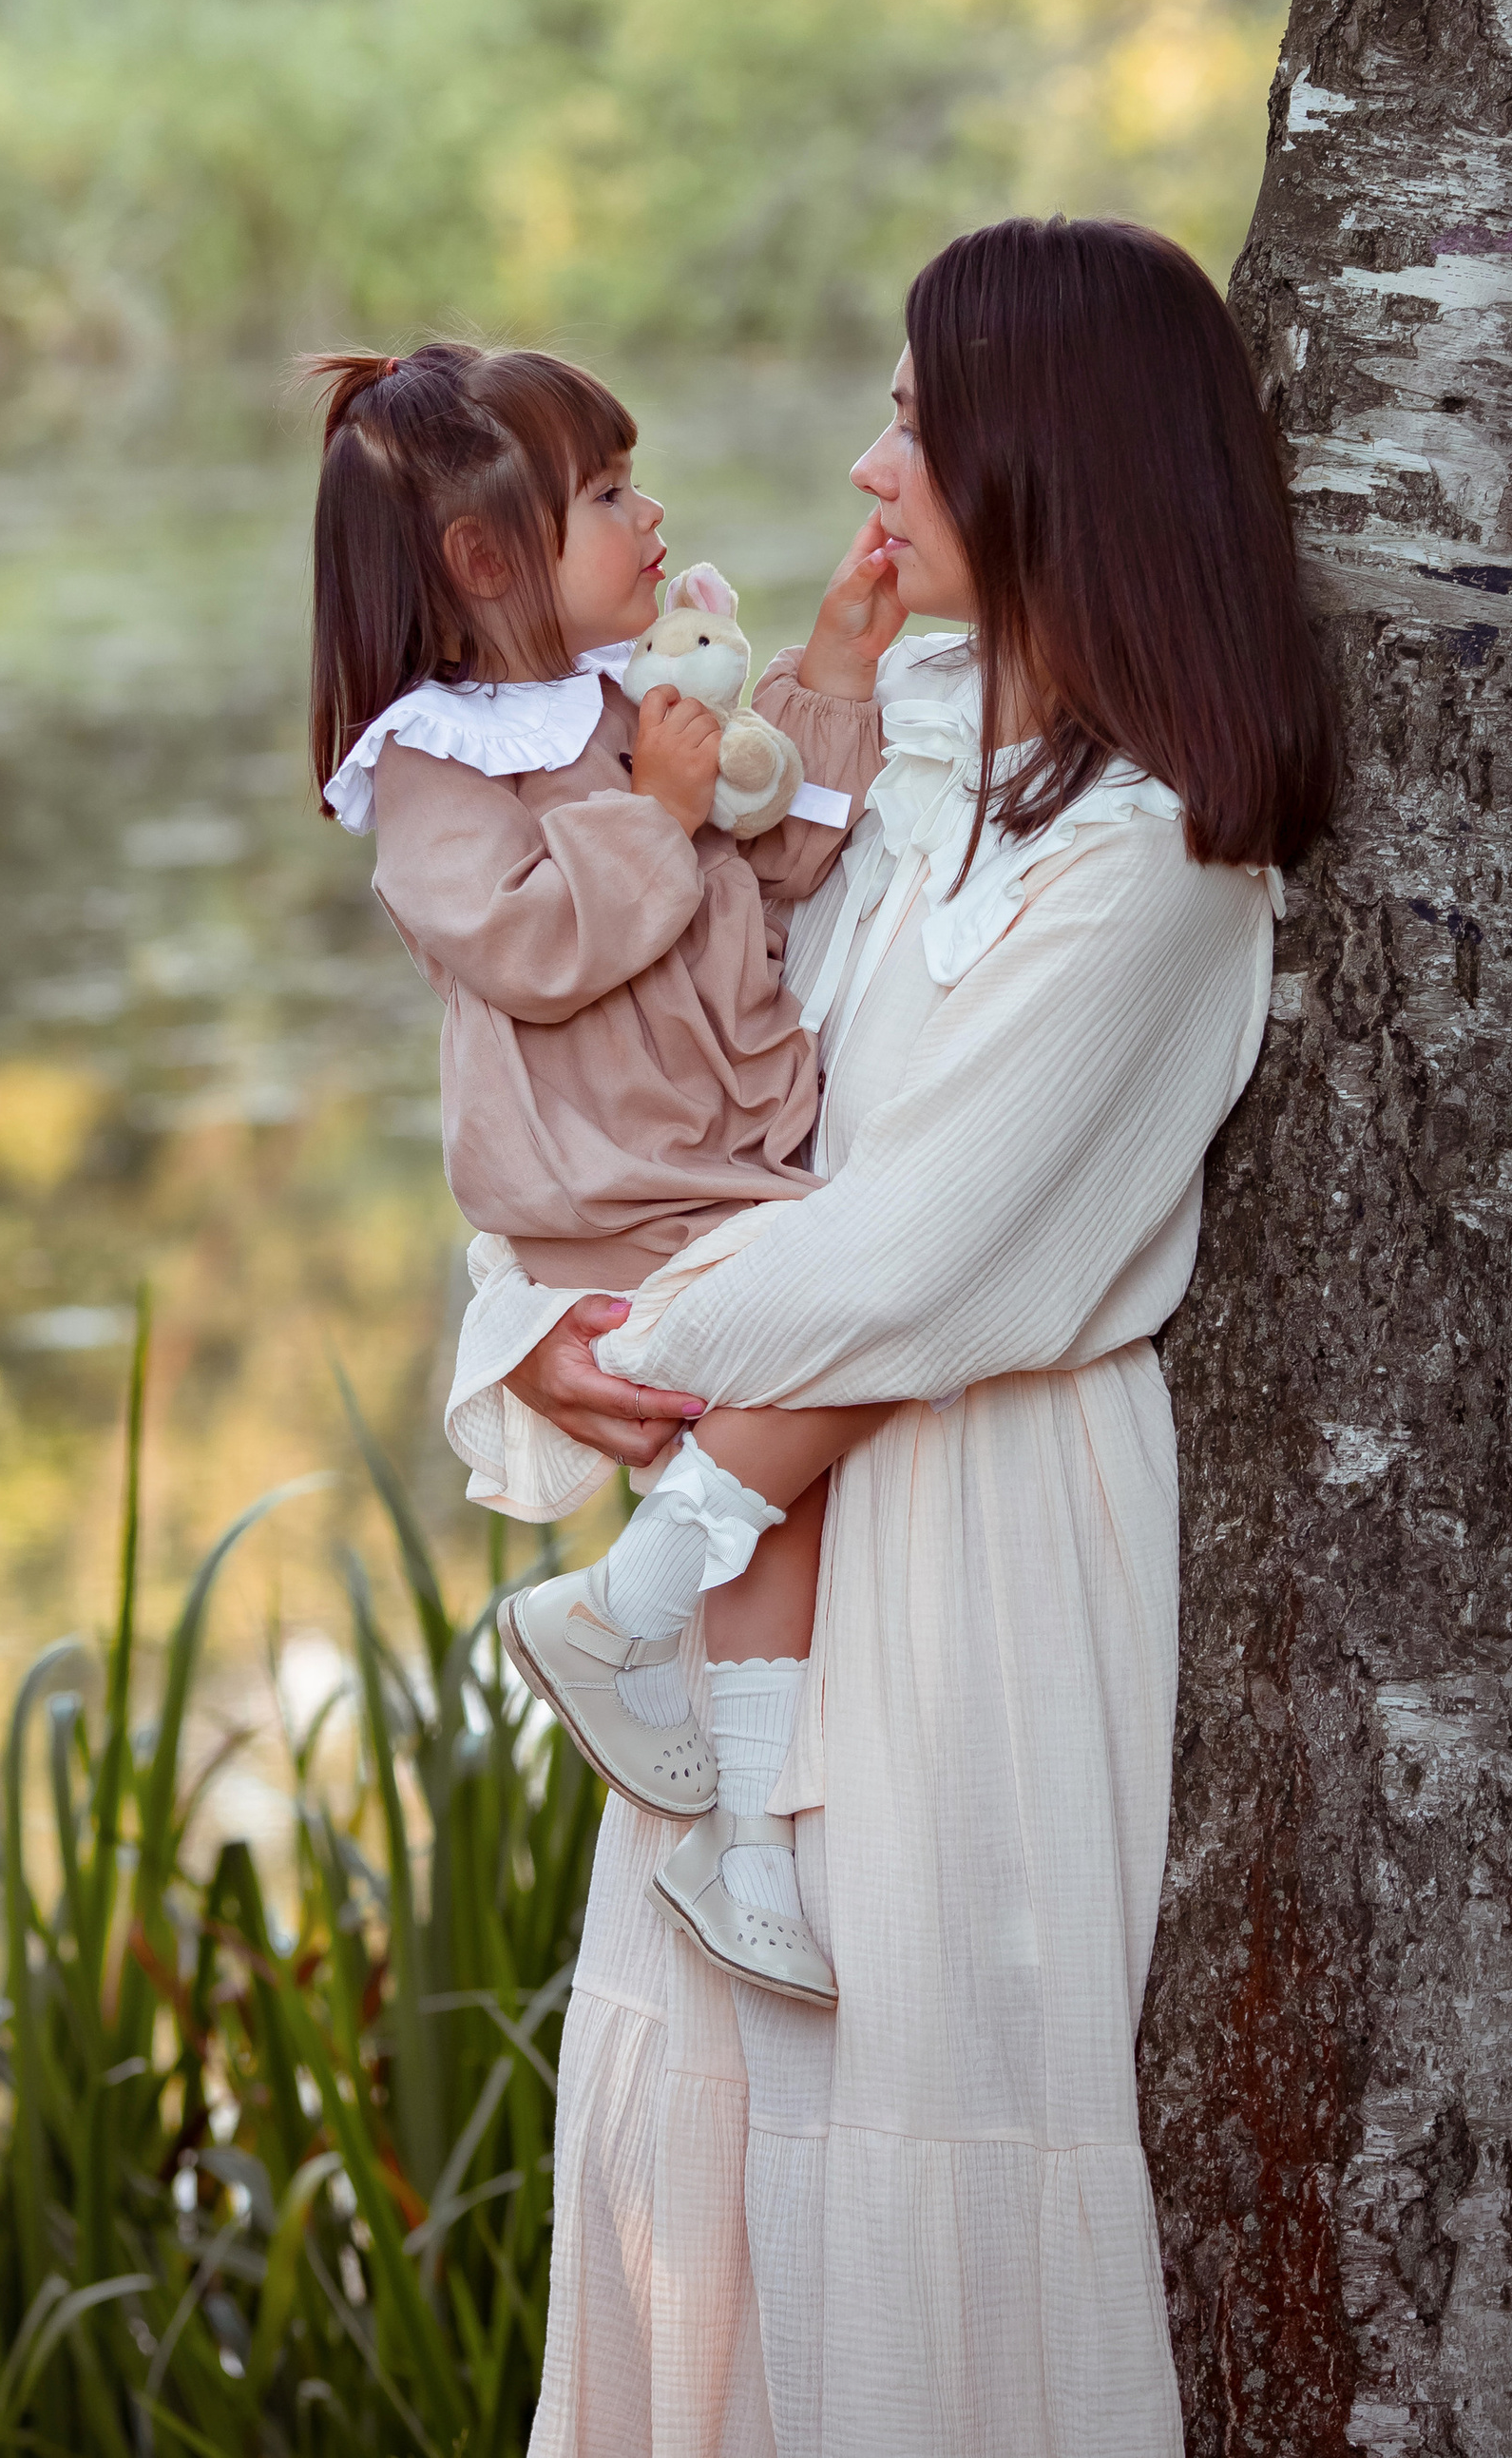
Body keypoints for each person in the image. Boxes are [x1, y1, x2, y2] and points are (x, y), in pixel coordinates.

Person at [450, 218, 1338, 2457]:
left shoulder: (1156, 860)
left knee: (921, 2129)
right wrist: (518, 1334)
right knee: (708, 2139)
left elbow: (926, 1246)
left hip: (968, 1545)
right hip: (746, 1532)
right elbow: (629, 1088)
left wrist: (621, 1332)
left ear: (1050, 466)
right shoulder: (864, 763)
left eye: (916, 426)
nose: (862, 469)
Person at [309, 340, 898, 2000]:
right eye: (609, 497)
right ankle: (633, 1637)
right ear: (489, 564)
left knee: (781, 1504)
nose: (652, 519)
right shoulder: (433, 760)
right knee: (878, 1338)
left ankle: (748, 1844)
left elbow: (780, 848)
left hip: (716, 1160)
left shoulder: (644, 697)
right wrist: (648, 806)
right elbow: (528, 947)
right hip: (617, 1189)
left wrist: (833, 672)